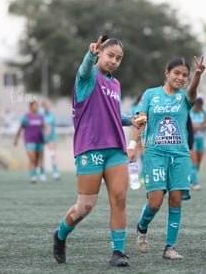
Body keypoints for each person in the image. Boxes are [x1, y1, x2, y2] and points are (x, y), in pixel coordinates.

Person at [52, 35, 141, 267]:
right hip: (89, 148)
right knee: (85, 207)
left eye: (118, 58)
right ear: (100, 54)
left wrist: (130, 119)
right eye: (110, 55)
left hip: (115, 149)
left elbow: (112, 114)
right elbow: (83, 70)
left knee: (120, 199)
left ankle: (118, 252)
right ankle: (60, 235)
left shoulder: (116, 83)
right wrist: (89, 55)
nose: (113, 61)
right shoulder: (88, 76)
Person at [128, 56, 206, 260]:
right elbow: (139, 121)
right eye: (176, 73)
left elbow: (192, 91)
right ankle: (142, 226)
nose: (180, 78)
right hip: (155, 154)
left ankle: (169, 247)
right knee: (154, 203)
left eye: (184, 75)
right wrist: (132, 145)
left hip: (180, 155)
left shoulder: (185, 97)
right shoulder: (150, 95)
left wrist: (197, 76)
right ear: (167, 73)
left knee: (175, 200)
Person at [13, 101, 48, 183]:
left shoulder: (40, 116)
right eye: (35, 105)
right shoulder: (26, 117)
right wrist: (16, 139)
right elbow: (20, 128)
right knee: (32, 158)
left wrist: (47, 131)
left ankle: (42, 173)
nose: (37, 106)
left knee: (39, 159)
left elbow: (45, 126)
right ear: (31, 106)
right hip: (29, 140)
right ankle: (33, 176)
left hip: (39, 140)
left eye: (37, 105)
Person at [189, 96, 206, 190]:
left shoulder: (203, 112)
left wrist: (199, 127)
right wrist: (192, 128)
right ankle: (195, 182)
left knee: (198, 161)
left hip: (200, 139)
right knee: (194, 160)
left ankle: (192, 180)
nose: (198, 108)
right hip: (191, 139)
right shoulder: (189, 112)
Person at [41, 100, 61, 180]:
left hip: (51, 138)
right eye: (46, 105)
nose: (47, 107)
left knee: (53, 155)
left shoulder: (52, 115)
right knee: (41, 157)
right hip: (42, 138)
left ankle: (55, 172)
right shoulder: (40, 114)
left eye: (48, 105)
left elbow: (50, 126)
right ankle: (42, 174)